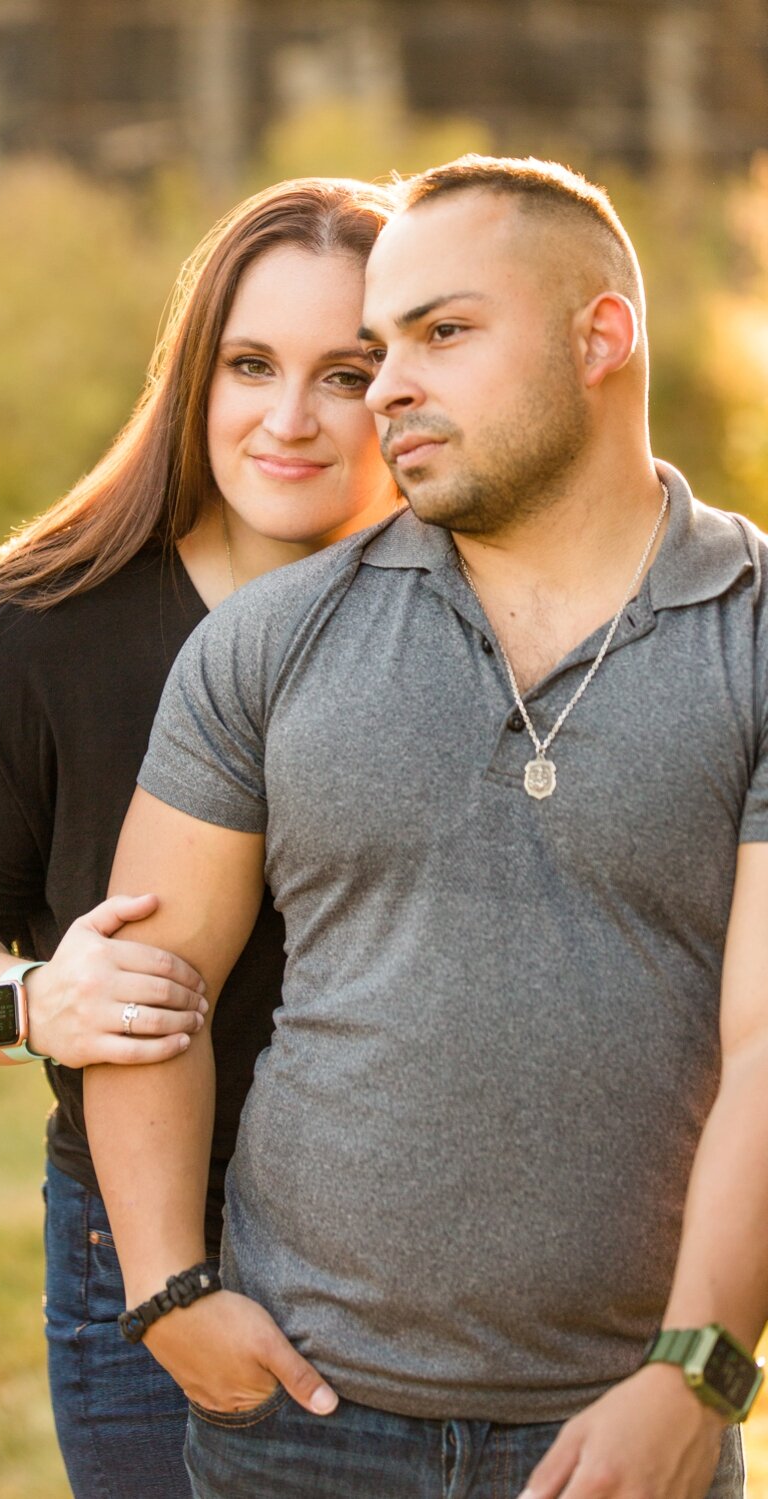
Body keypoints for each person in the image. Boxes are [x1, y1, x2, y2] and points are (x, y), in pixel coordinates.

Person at [89, 155, 765, 1498]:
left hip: (624, 1429)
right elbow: (147, 987)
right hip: (294, 1416)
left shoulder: (755, 631)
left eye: (443, 333)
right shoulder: (273, 639)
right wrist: (170, 1288)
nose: (388, 384)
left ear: (602, 336)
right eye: (379, 346)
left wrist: (698, 1369)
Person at [0, 178, 401, 1496]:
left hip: (420, 1258)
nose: (291, 416)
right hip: (152, 1250)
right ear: (195, 371)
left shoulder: (464, 619)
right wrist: (33, 998)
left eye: (349, 372)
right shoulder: (42, 624)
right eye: (252, 363)